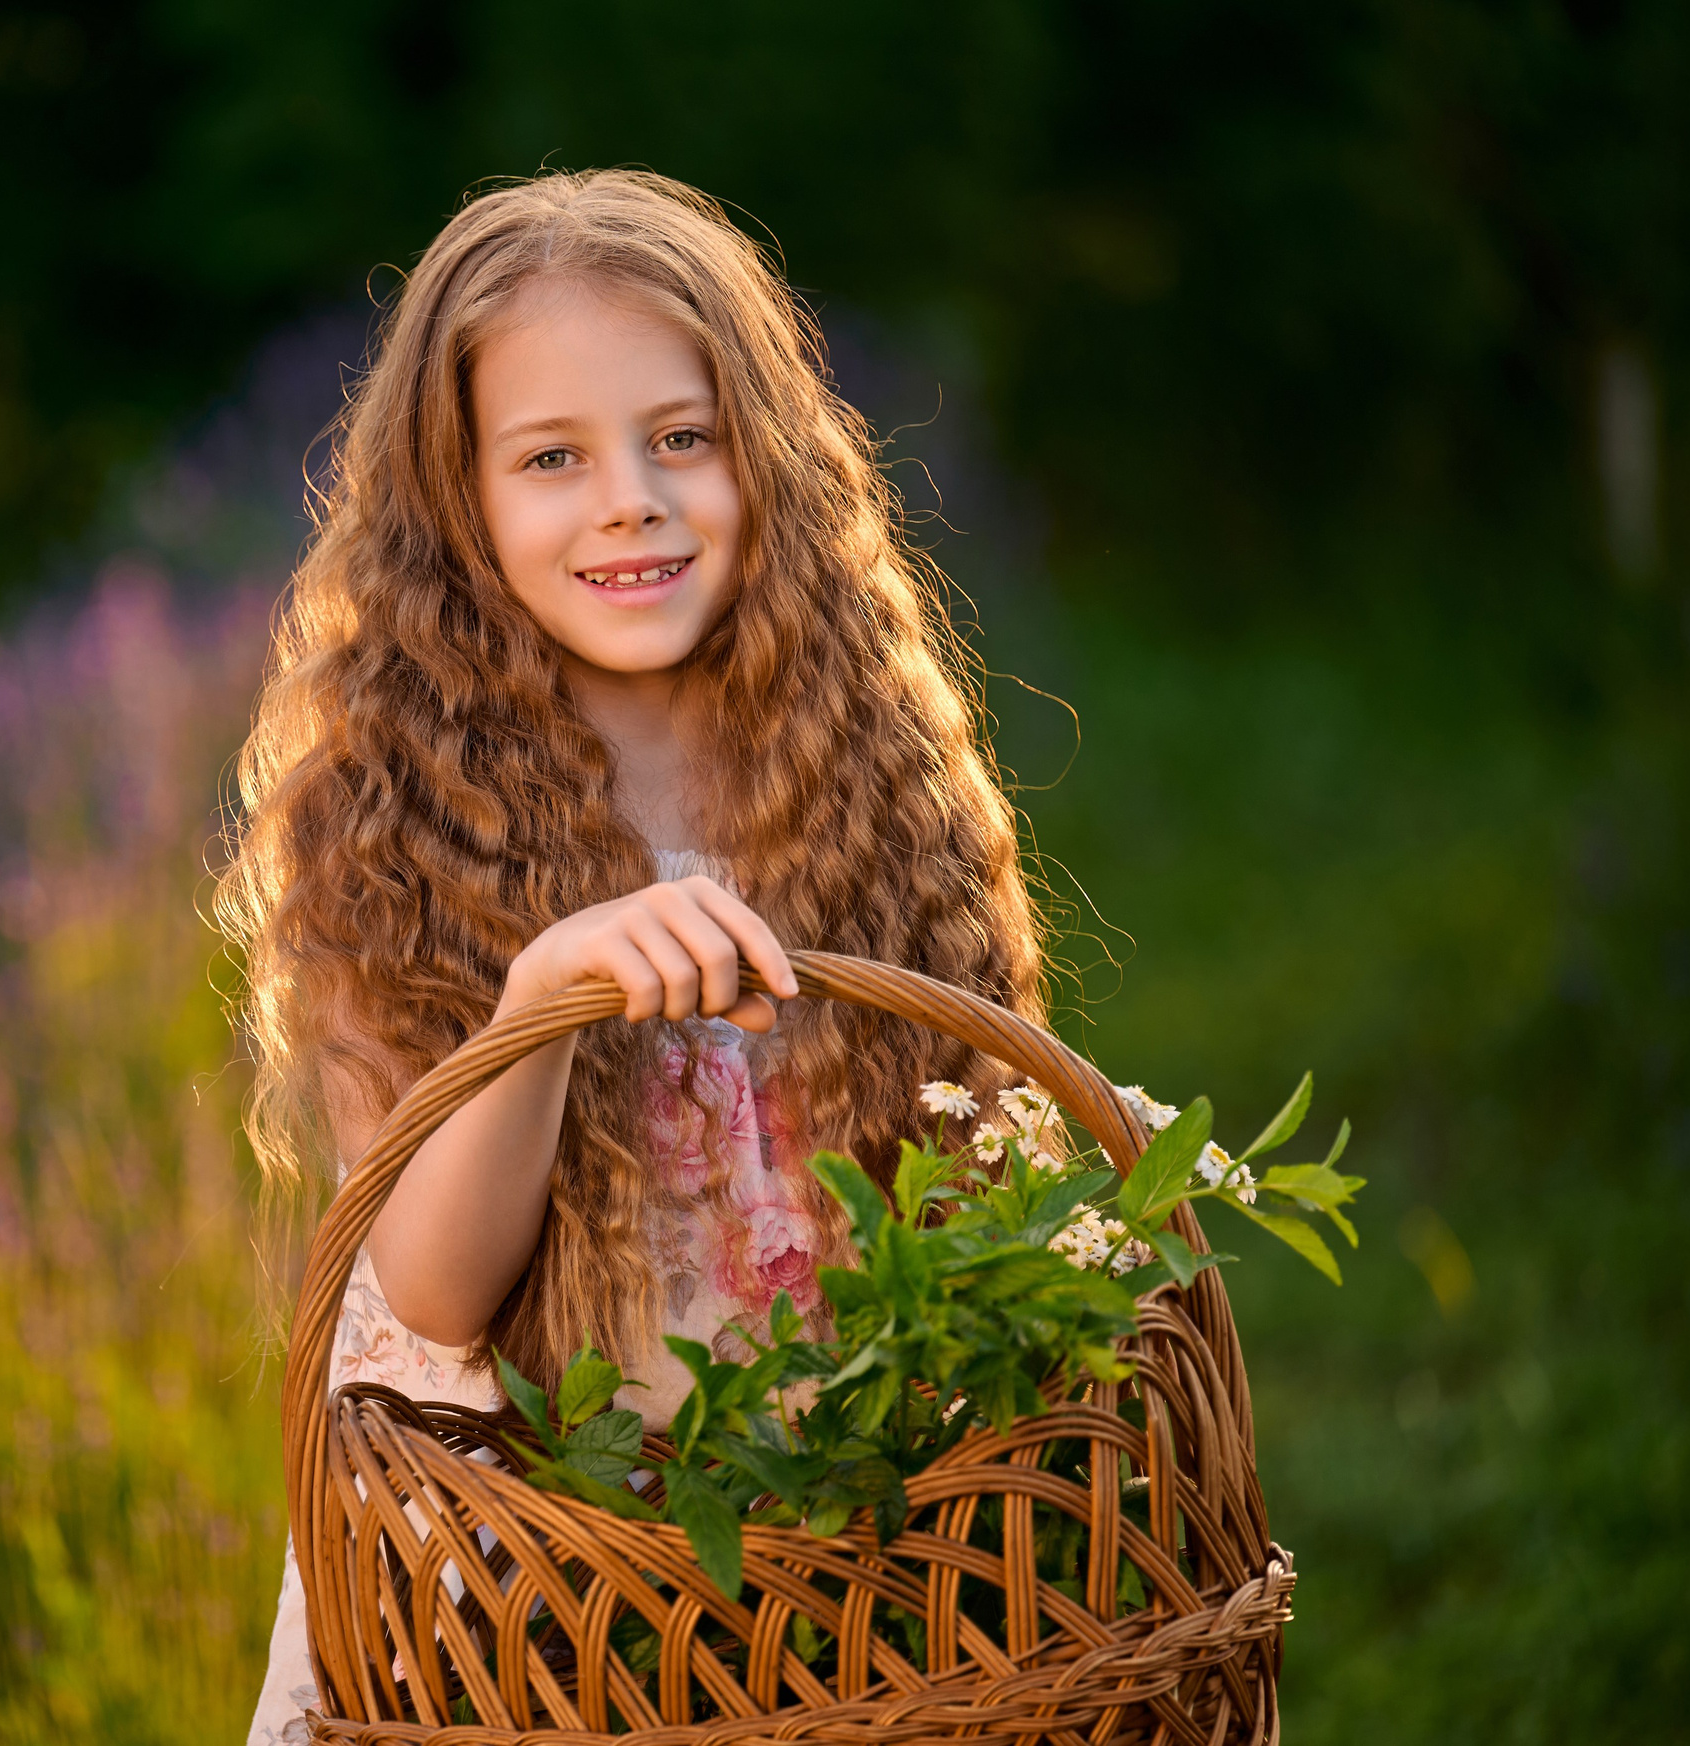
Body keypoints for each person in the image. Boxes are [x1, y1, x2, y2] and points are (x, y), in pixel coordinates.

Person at [215, 169, 1046, 1745]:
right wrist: (536, 1008)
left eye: (684, 436)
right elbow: (432, 1294)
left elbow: (971, 1144)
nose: (631, 501)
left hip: (845, 1530)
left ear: (766, 451)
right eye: (551, 458)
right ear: (458, 502)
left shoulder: (857, 758)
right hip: (542, 1562)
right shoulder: (384, 822)